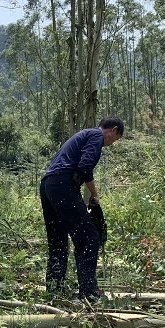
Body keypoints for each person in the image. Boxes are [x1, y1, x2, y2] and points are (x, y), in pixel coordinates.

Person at [40, 116, 124, 301]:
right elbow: (85, 167)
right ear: (113, 130)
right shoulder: (96, 135)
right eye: (115, 139)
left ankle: (55, 290)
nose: (110, 144)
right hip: (62, 184)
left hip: (49, 185)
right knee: (89, 237)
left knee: (58, 241)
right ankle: (88, 293)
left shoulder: (83, 135)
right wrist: (94, 195)